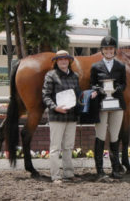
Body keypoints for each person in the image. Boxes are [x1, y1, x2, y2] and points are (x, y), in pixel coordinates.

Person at [90, 36, 126, 179]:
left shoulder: (121, 66)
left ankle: (115, 169)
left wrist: (117, 88)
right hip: (101, 104)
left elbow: (124, 84)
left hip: (117, 104)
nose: (109, 51)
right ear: (102, 51)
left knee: (115, 136)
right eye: (106, 49)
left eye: (111, 48)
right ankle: (99, 170)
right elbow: (92, 84)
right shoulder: (95, 67)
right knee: (100, 136)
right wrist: (100, 89)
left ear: (114, 50)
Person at [42, 50, 81, 183]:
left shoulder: (75, 76)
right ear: (56, 62)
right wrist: (55, 107)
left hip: (71, 116)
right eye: (60, 59)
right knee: (55, 148)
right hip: (56, 117)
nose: (63, 61)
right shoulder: (50, 75)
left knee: (68, 146)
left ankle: (69, 173)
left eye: (65, 59)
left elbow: (77, 94)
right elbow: (46, 96)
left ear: (69, 61)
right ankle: (55, 176)